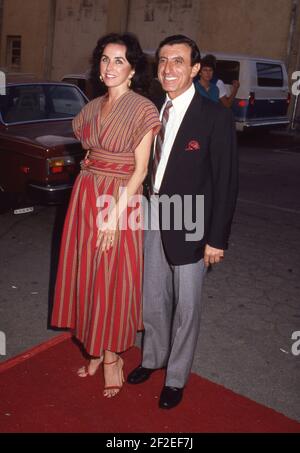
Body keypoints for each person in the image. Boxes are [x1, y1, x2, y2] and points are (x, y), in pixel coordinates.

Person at [127, 35, 238, 409]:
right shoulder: (153, 109)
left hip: (192, 220)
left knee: (187, 306)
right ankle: (152, 358)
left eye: (178, 61)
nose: (167, 68)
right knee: (152, 298)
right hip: (152, 212)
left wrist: (216, 239)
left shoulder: (216, 117)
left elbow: (225, 183)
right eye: (162, 61)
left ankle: (175, 378)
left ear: (194, 68)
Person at [51, 32, 161, 398]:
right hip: (86, 195)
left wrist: (114, 217)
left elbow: (141, 171)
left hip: (119, 201)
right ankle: (94, 349)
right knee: (87, 272)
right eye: (105, 59)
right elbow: (88, 150)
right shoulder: (90, 108)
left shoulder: (143, 109)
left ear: (132, 69)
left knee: (113, 276)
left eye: (119, 61)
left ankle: (112, 356)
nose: (110, 67)